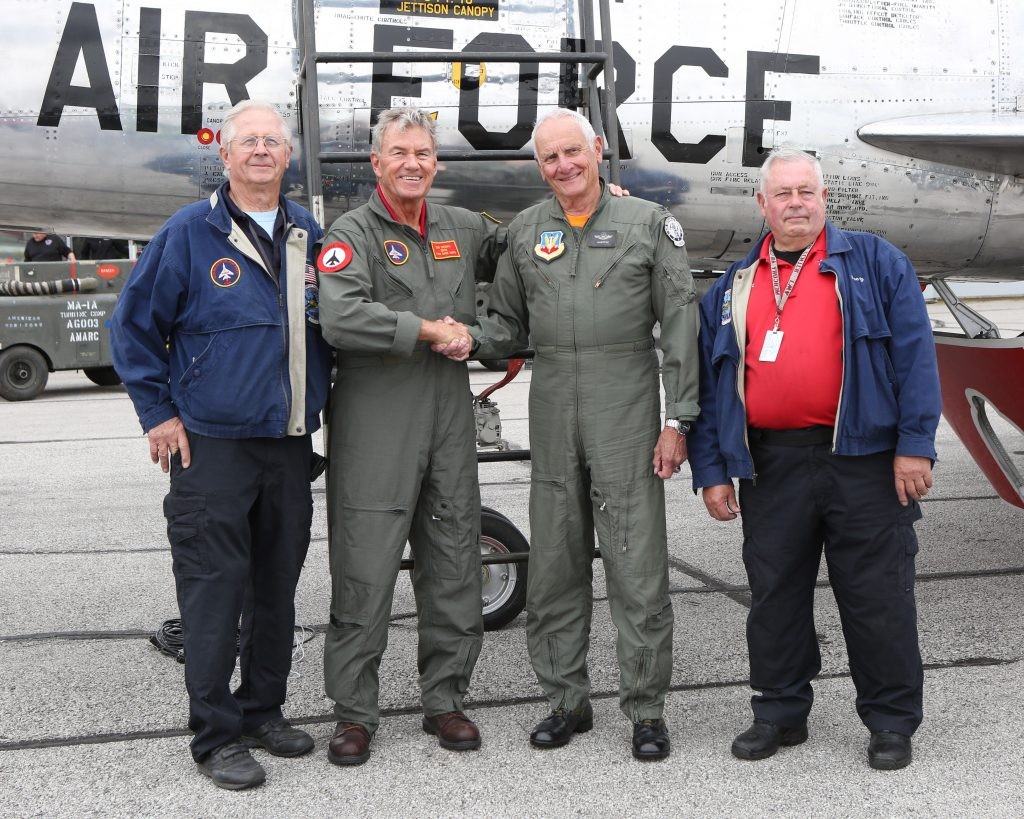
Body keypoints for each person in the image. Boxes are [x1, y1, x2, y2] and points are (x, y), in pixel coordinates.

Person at [447, 107, 700, 760]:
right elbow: (506, 324)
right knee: (556, 563)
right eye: (550, 158)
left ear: (596, 149)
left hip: (628, 397)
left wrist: (679, 420)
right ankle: (566, 699)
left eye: (572, 152)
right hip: (555, 397)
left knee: (635, 563)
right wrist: (464, 337)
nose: (563, 166)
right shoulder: (528, 232)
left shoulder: (646, 223)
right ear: (541, 166)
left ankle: (645, 708)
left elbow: (678, 325)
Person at [687, 146, 941, 771]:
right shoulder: (732, 287)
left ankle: (889, 720)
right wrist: (715, 470)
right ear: (762, 205)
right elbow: (711, 385)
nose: (795, 203)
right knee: (774, 594)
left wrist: (915, 444)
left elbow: (914, 356)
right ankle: (779, 710)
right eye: (783, 194)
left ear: (824, 198)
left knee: (876, 595)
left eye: (806, 192)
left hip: (863, 458)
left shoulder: (876, 264)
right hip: (772, 464)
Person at [110, 99, 333, 791]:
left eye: (273, 141)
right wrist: (159, 414)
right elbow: (133, 328)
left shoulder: (309, 233)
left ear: (287, 156)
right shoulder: (189, 233)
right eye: (249, 142)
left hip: (290, 443)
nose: (262, 151)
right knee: (213, 591)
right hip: (211, 447)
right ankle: (214, 736)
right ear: (226, 156)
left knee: (277, 587)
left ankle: (263, 708)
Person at [316, 107, 505, 766]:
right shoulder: (353, 233)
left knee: (455, 558)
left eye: (423, 152)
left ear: (437, 162)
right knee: (365, 569)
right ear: (377, 162)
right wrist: (430, 329)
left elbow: (525, 246)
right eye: (400, 152)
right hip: (377, 422)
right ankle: (355, 713)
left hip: (448, 418)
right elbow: (340, 316)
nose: (413, 163)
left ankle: (446, 700)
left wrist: (599, 201)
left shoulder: (461, 227)